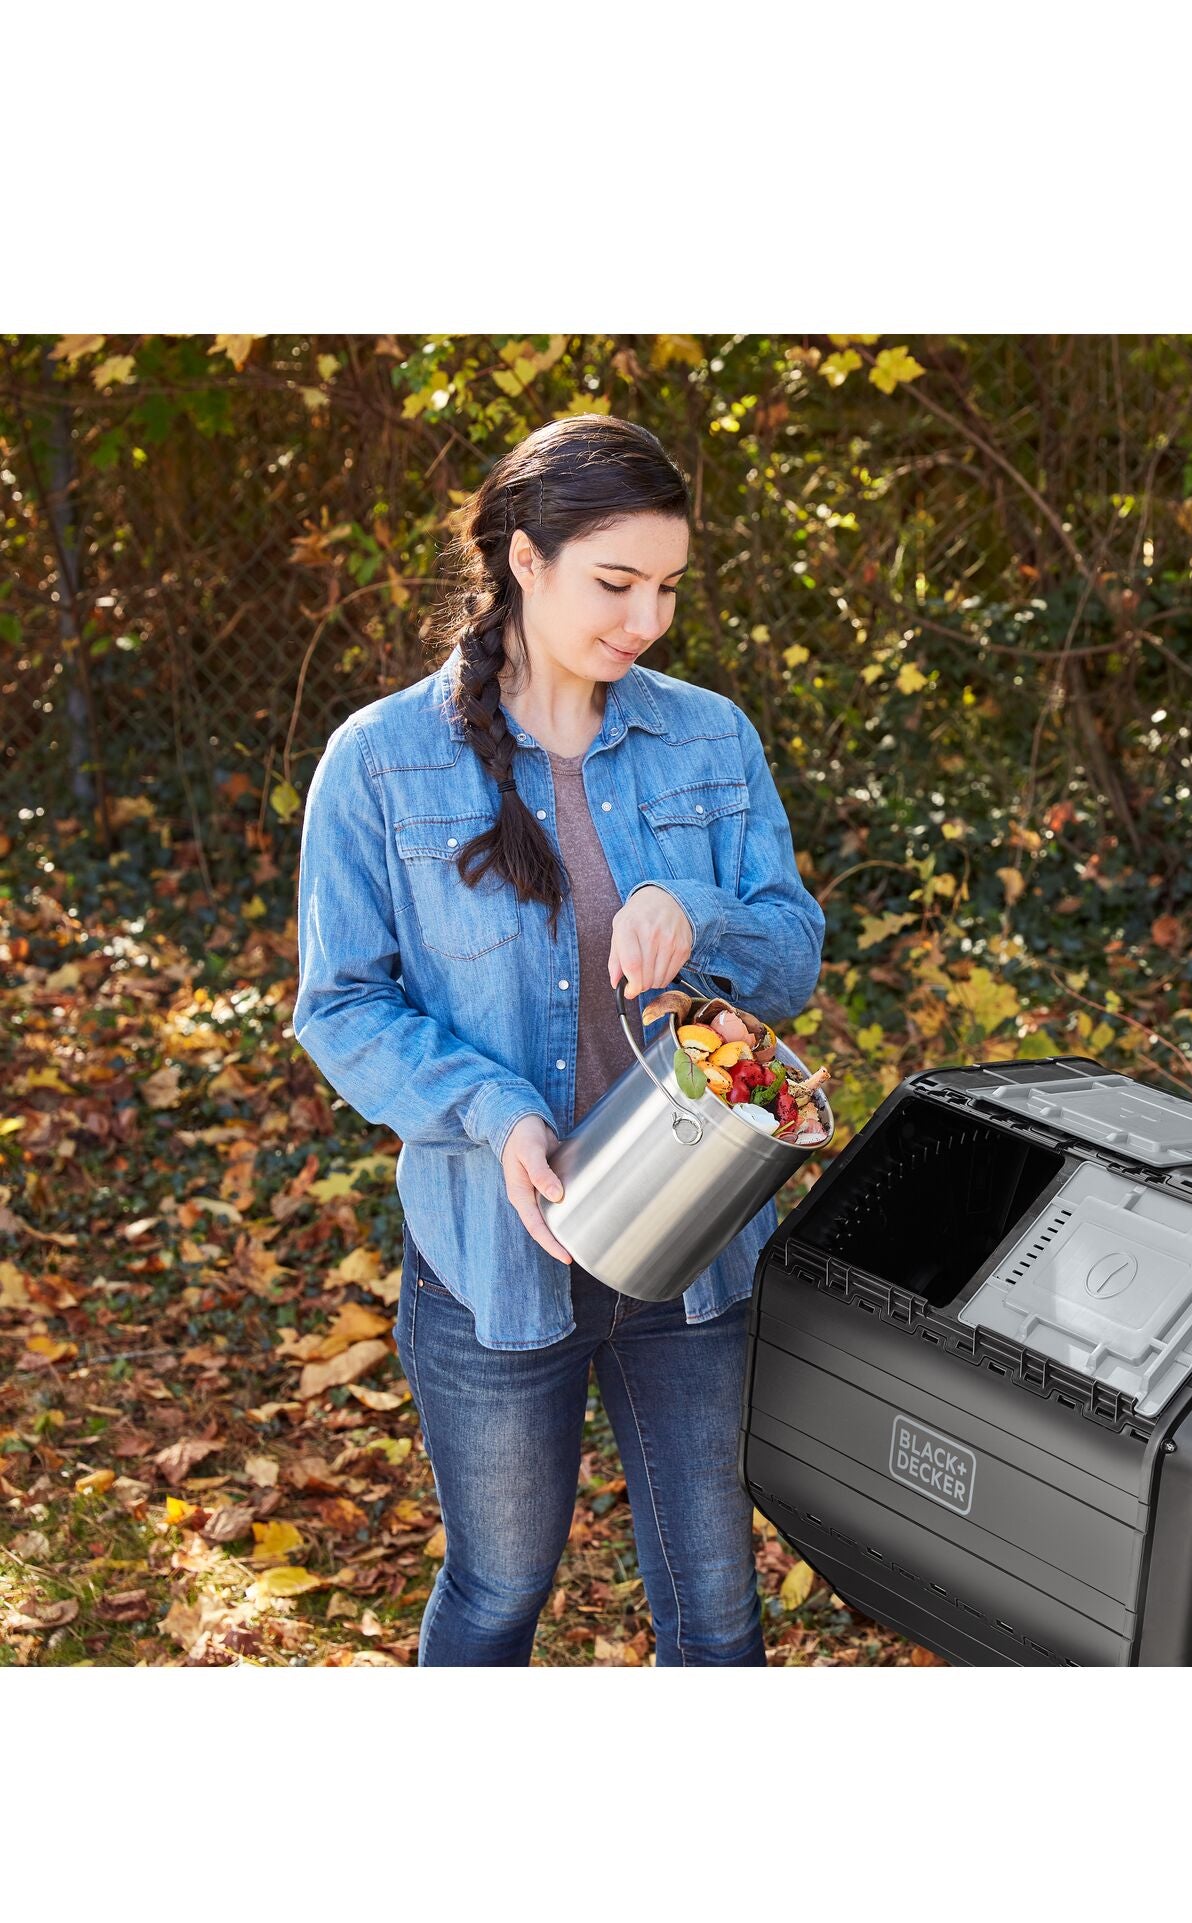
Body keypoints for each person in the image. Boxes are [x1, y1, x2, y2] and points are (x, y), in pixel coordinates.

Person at [292, 414, 824, 1666]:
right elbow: (342, 1003)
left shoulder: (709, 737)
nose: (645, 619)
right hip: (492, 1254)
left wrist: (692, 913)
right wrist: (494, 1107)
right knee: (496, 1590)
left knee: (717, 1608)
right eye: (615, 582)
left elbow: (792, 944)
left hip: (693, 1243)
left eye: (669, 587)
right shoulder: (381, 762)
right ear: (524, 559)